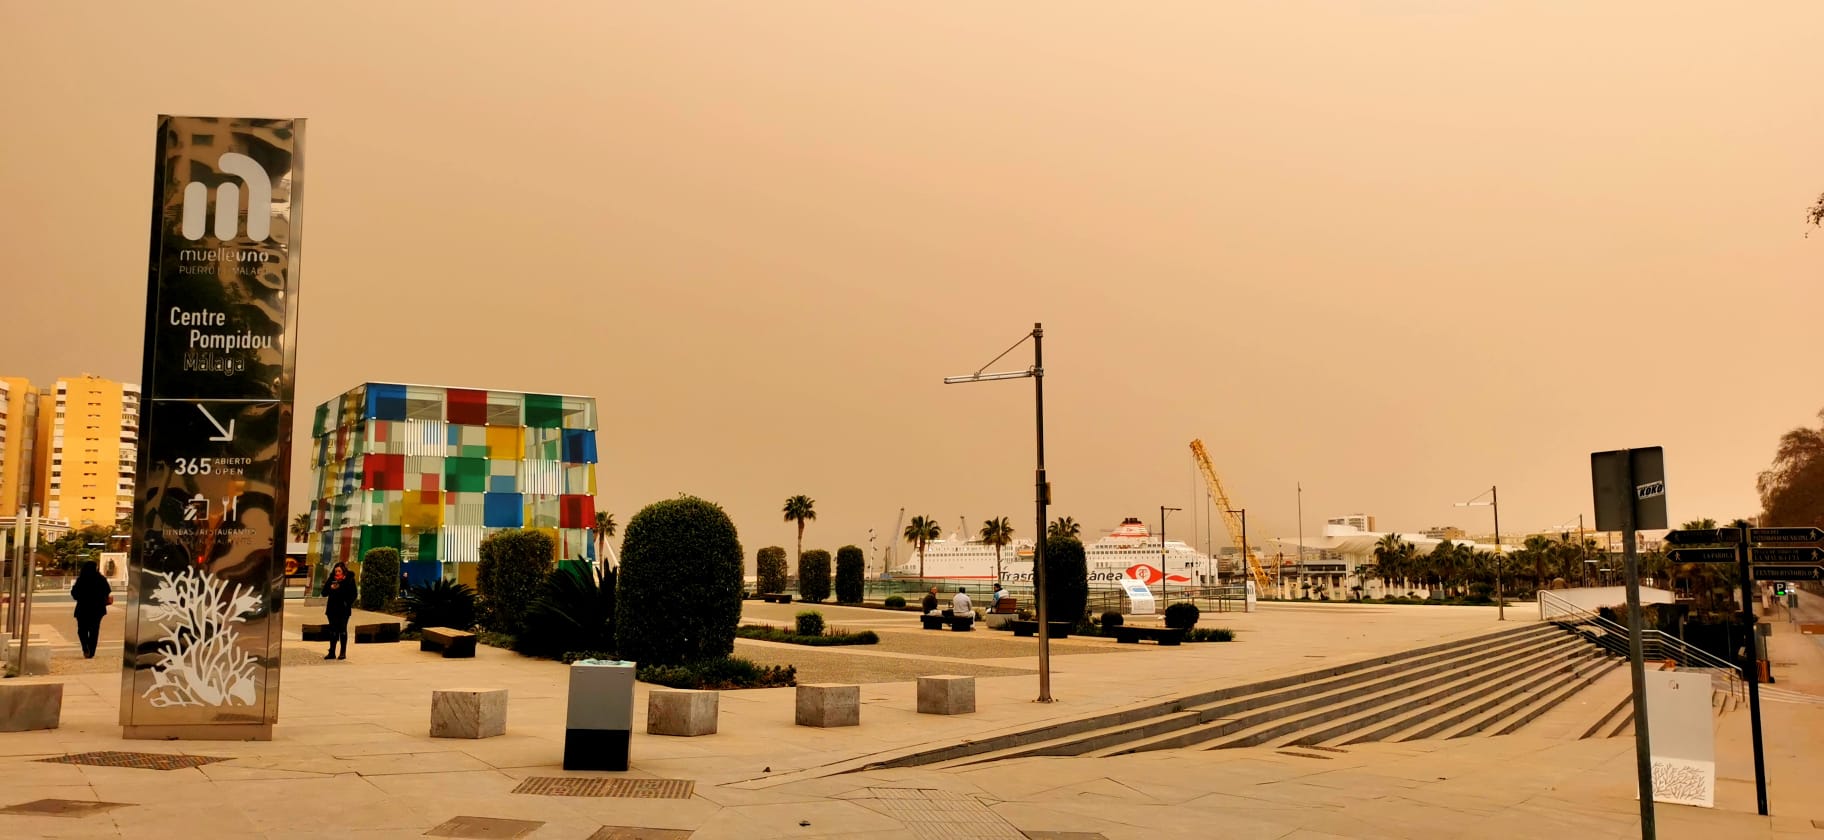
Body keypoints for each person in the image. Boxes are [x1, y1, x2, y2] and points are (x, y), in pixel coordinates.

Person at [70, 561, 112, 659]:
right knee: (94, 630)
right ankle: (91, 651)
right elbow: (107, 591)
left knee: (82, 630)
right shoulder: (101, 579)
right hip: (97, 609)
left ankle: (85, 647)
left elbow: (74, 594)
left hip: (83, 608)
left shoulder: (81, 580)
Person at [324, 561, 357, 660]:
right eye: (335, 571)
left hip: (343, 609)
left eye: (339, 571)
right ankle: (332, 652)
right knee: (333, 630)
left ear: (343, 572)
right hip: (332, 609)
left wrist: (347, 602)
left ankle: (342, 652)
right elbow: (324, 593)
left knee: (342, 629)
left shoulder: (349, 580)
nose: (337, 573)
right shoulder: (331, 579)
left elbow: (353, 594)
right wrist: (330, 588)